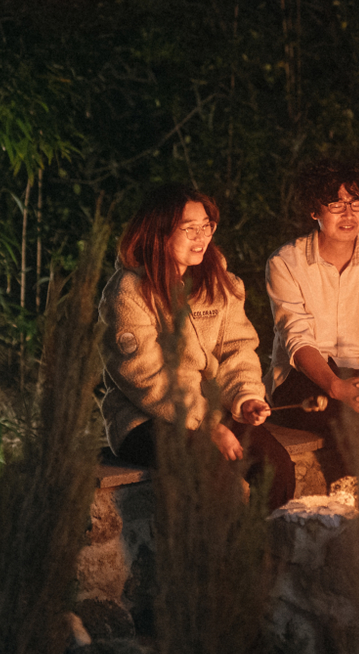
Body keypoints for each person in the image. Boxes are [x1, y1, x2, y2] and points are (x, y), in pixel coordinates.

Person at [100, 183, 295, 508]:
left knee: (276, 466)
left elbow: (237, 349)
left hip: (212, 409)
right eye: (189, 228)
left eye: (207, 226)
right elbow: (143, 376)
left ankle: (270, 539)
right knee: (214, 473)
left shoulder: (221, 283)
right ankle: (217, 544)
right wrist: (207, 425)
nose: (201, 236)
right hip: (145, 419)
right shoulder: (129, 291)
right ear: (159, 232)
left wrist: (245, 395)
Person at [265, 159, 359, 483]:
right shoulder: (285, 262)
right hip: (302, 379)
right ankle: (350, 505)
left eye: (356, 203)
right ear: (314, 210)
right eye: (336, 204)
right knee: (348, 424)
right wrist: (337, 387)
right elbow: (296, 336)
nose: (348, 214)